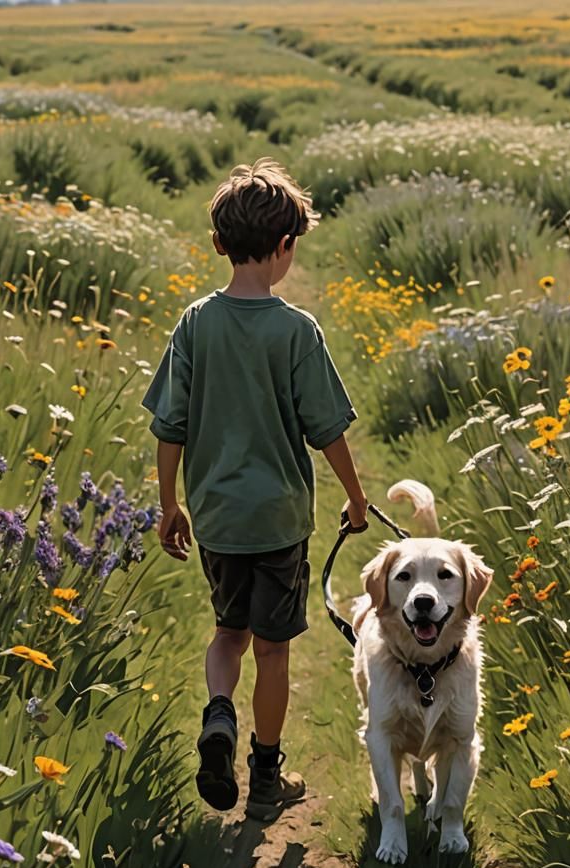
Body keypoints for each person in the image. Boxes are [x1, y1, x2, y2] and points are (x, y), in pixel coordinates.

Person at [142, 158, 368, 822]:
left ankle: (219, 717)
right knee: (272, 651)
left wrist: (168, 506)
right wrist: (355, 498)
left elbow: (170, 425)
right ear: (287, 246)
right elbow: (326, 428)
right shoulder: (296, 331)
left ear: (219, 244)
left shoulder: (195, 324)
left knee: (227, 636)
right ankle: (266, 778)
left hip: (216, 516)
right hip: (278, 519)